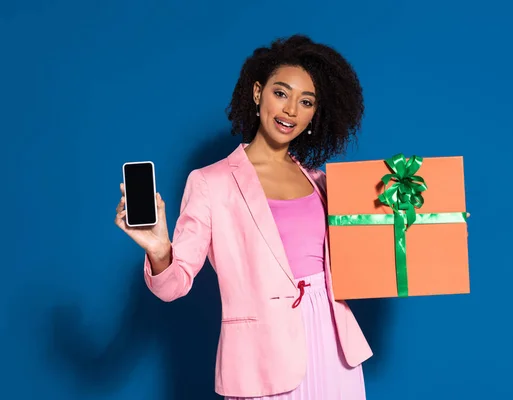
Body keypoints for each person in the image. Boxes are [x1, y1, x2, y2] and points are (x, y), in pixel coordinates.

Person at [114, 34, 372, 399]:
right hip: (261, 359)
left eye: (306, 101)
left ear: (316, 113)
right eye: (280, 93)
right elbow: (173, 286)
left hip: (333, 346)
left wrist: (436, 235)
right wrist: (159, 249)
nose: (290, 110)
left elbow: (368, 260)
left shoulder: (321, 183)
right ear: (257, 93)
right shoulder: (210, 182)